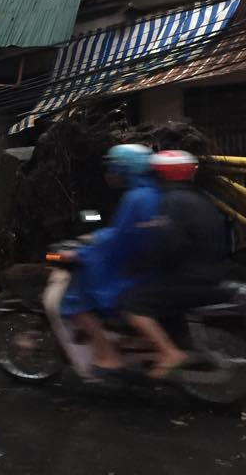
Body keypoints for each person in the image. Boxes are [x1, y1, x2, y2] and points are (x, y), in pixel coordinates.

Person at [120, 150, 229, 378]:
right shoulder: (200, 199)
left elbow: (167, 243)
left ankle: (170, 353)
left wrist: (139, 264)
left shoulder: (172, 202)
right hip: (212, 273)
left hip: (189, 279)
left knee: (132, 304)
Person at [60, 144, 160, 374]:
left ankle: (107, 356)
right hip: (147, 265)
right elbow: (122, 232)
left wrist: (81, 253)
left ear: (124, 169)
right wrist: (96, 237)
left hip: (133, 269)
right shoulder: (150, 193)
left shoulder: (136, 198)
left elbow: (119, 239)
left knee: (77, 301)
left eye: (113, 167)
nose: (110, 173)